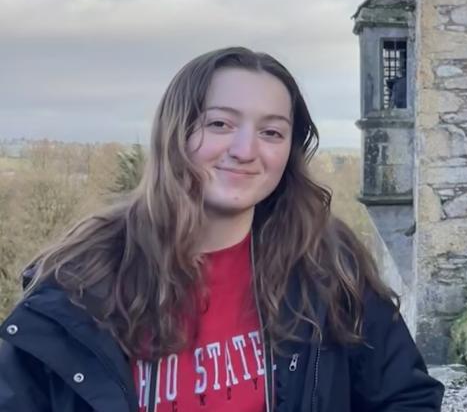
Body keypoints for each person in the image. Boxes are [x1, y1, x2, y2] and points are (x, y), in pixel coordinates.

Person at [0, 47, 443, 411]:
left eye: (272, 132)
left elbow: (405, 398)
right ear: (175, 131)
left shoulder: (327, 266)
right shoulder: (76, 289)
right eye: (220, 124)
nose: (245, 150)